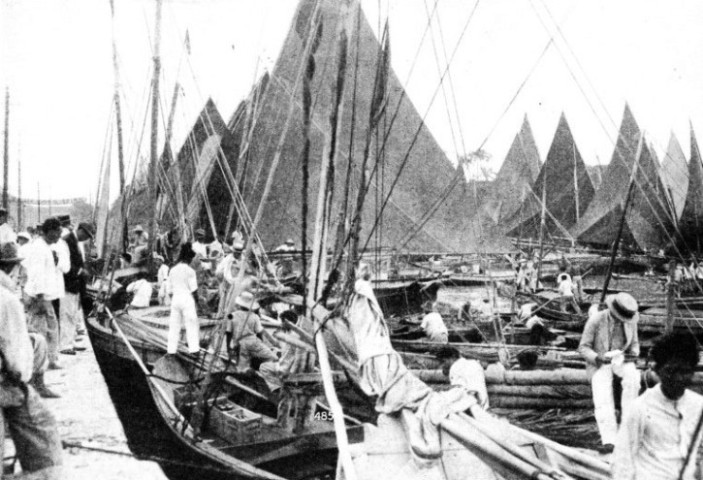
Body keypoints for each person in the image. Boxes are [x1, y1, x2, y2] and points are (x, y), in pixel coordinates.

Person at [0, 242, 63, 476]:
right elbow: (17, 362)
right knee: (44, 429)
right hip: (4, 386)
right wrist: (22, 380)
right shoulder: (7, 300)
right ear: (12, 269)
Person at [613, 332, 703, 480]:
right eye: (671, 371)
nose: (678, 378)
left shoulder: (698, 405)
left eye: (685, 371)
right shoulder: (640, 407)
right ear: (657, 371)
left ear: (693, 372)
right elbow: (622, 459)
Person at [579, 292, 641, 453]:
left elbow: (634, 344)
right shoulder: (596, 320)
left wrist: (632, 355)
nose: (623, 322)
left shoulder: (631, 321)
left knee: (633, 378)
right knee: (601, 392)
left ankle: (628, 430)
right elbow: (583, 347)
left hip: (621, 358)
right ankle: (609, 440)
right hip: (601, 359)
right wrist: (597, 358)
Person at [22, 217, 65, 370]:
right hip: (39, 296)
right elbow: (37, 274)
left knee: (51, 328)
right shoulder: (39, 248)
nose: (59, 236)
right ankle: (40, 363)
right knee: (40, 330)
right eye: (58, 232)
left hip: (44, 296)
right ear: (51, 231)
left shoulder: (45, 246)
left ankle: (50, 359)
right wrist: (40, 297)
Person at [59, 222, 93, 355]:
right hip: (67, 284)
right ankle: (64, 345)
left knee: (73, 314)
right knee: (66, 314)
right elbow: (64, 265)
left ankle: (71, 341)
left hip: (75, 285)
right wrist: (80, 271)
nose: (86, 238)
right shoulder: (67, 241)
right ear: (80, 230)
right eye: (86, 235)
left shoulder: (76, 241)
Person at [226, 290, 279, 372]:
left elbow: (228, 333)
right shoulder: (254, 316)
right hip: (253, 341)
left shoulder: (232, 316)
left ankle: (245, 372)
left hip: (240, 343)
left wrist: (228, 347)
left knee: (242, 368)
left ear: (239, 305)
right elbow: (259, 333)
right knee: (273, 358)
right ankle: (261, 368)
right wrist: (261, 344)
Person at [166, 243, 200, 354]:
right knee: (191, 324)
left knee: (174, 326)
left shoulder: (172, 270)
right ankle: (194, 349)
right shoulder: (190, 271)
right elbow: (194, 291)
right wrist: (197, 303)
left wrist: (174, 300)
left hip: (176, 299)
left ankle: (171, 350)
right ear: (189, 258)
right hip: (187, 299)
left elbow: (169, 290)